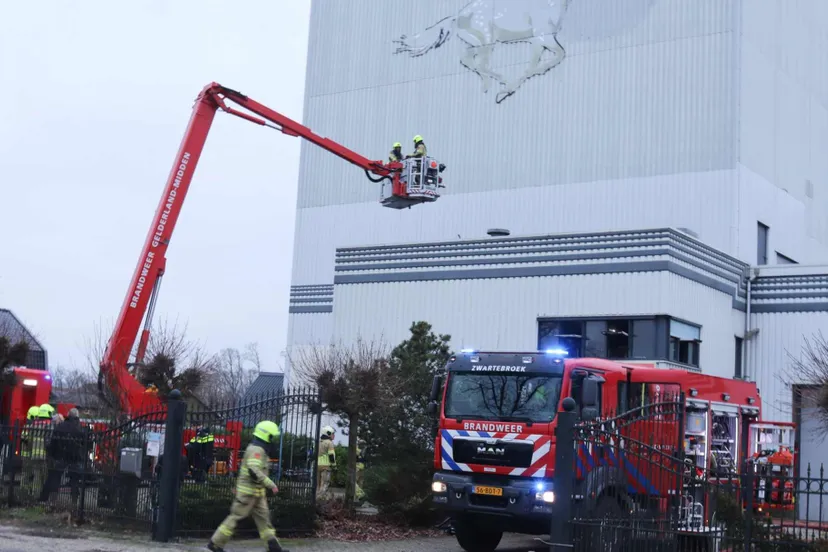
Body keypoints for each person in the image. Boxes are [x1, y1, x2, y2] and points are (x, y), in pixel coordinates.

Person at [208, 420, 289, 552]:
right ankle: (215, 543)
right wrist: (271, 484)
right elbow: (253, 470)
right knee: (235, 518)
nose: (274, 440)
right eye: (272, 437)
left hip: (257, 494)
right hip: (248, 494)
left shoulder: (260, 449)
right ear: (266, 436)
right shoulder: (256, 450)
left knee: (264, 521)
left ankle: (273, 547)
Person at [39, 408, 85, 503]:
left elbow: (53, 442)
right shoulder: (80, 428)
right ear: (77, 416)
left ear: (68, 414)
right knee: (74, 480)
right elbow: (84, 444)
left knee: (54, 477)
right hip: (75, 457)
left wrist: (52, 454)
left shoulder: (61, 426)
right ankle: (74, 501)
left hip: (61, 456)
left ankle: (50, 499)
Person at [316, 425, 336, 498]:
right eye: (333, 434)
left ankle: (315, 498)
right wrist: (334, 465)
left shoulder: (318, 442)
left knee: (317, 484)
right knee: (324, 484)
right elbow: (331, 455)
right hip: (326, 466)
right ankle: (321, 498)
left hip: (317, 465)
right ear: (328, 433)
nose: (334, 435)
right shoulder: (329, 443)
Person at [355, 439, 366, 503]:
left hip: (357, 467)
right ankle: (358, 498)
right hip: (362, 467)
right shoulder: (365, 449)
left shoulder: (356, 449)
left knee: (354, 482)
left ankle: (360, 494)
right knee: (360, 483)